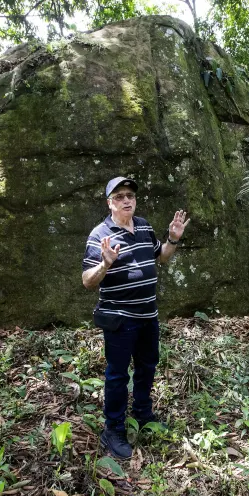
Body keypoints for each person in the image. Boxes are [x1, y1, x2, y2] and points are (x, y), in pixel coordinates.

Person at [82, 176, 189, 460]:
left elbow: (161, 257)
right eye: (119, 196)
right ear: (109, 204)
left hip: (148, 316)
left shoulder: (143, 225)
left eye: (130, 195)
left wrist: (173, 239)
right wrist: (104, 264)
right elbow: (87, 281)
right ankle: (113, 429)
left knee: (147, 367)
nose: (127, 200)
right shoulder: (99, 235)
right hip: (119, 319)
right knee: (117, 375)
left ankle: (143, 414)